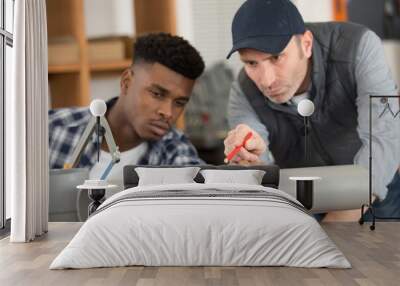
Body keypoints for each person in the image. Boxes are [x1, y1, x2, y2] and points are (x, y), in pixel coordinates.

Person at [223, 0, 400, 220]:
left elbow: (384, 134)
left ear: (306, 44)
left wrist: (337, 223)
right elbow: (260, 175)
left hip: (376, 187)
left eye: (276, 57)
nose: (267, 81)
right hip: (303, 197)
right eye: (251, 63)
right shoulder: (243, 90)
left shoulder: (359, 47)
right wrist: (254, 161)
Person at [49, 32, 205, 189]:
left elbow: (202, 191)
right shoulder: (52, 129)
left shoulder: (176, 151)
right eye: (157, 94)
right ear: (126, 82)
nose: (168, 112)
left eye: (179, 102)